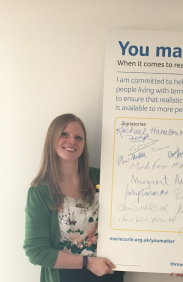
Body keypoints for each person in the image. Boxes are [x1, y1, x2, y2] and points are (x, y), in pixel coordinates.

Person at [24, 114, 124, 282]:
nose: (72, 141)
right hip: (66, 276)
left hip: (108, 274)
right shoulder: (40, 191)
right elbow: (36, 252)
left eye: (79, 137)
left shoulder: (103, 178)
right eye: (65, 134)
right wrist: (89, 262)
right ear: (52, 138)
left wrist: (171, 257)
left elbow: (134, 220)